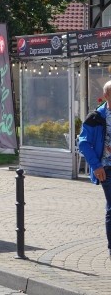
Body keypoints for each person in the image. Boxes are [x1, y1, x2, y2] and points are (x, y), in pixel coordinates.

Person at [78, 80, 111, 259]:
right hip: (106, 168)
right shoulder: (96, 117)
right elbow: (83, 143)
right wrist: (96, 166)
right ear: (106, 96)